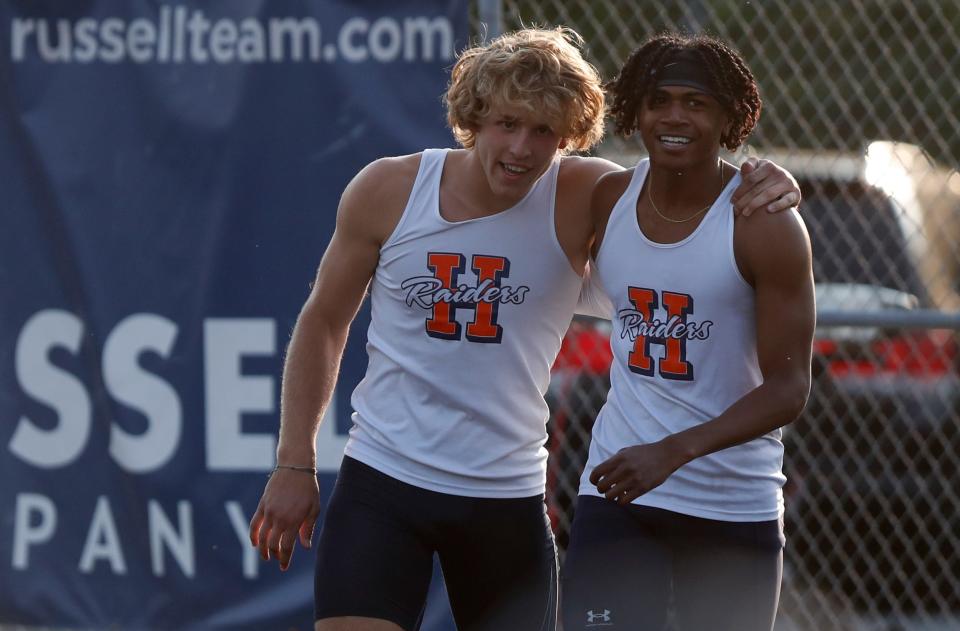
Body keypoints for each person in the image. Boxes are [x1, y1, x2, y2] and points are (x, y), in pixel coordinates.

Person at [247, 27, 802, 631]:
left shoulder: (585, 194)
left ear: (568, 139)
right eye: (508, 123)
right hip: (385, 478)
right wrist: (294, 460)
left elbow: (689, 193)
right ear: (473, 118)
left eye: (545, 132)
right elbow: (324, 320)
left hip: (504, 495)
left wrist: (768, 178)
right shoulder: (389, 189)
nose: (522, 148)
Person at [560, 33, 816, 631]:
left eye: (697, 103)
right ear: (635, 112)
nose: (675, 117)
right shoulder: (608, 197)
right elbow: (513, 187)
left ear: (729, 117)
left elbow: (790, 389)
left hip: (730, 501)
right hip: (619, 491)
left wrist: (673, 452)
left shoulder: (764, 223)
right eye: (660, 100)